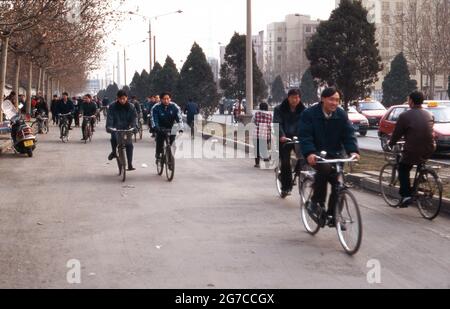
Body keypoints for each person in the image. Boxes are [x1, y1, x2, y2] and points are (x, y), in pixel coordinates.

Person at [299, 87, 360, 227]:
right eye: (331, 99)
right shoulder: (309, 114)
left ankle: (334, 215)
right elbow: (305, 135)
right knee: (325, 170)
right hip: (317, 154)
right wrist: (309, 153)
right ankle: (315, 202)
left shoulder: (341, 115)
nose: (334, 103)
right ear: (323, 99)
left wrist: (353, 151)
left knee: (339, 184)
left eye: (337, 100)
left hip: (336, 154)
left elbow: (349, 134)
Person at [388, 91, 435, 207]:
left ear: (411, 102)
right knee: (419, 160)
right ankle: (422, 175)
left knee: (403, 168)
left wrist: (391, 143)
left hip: (413, 149)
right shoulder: (429, 114)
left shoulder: (404, 116)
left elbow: (397, 133)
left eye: (408, 100)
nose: (408, 102)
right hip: (430, 148)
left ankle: (406, 196)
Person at [273, 89, 306, 196]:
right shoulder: (279, 109)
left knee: (304, 158)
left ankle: (297, 172)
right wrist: (282, 135)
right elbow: (277, 123)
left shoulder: (303, 110)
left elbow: (306, 124)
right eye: (293, 97)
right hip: (284, 138)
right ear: (288, 97)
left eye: (297, 97)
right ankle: (286, 187)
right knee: (286, 162)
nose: (295, 100)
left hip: (298, 138)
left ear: (300, 98)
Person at [106, 90, 138, 171]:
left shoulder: (131, 106)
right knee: (113, 138)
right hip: (116, 128)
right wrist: (109, 127)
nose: (122, 100)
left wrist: (134, 127)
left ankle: (130, 164)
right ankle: (114, 152)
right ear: (117, 98)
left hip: (127, 128)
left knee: (129, 145)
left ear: (127, 98)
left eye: (124, 98)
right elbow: (110, 118)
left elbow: (134, 118)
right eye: (120, 99)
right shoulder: (112, 106)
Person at [150, 92, 184, 163]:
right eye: (164, 99)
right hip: (160, 127)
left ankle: (171, 157)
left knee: (173, 143)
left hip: (172, 127)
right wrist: (156, 127)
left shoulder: (175, 107)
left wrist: (181, 128)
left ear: (170, 99)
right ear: (161, 99)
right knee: (160, 139)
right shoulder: (156, 107)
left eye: (167, 99)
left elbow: (179, 118)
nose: (166, 101)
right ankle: (158, 154)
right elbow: (154, 118)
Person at [252, 102, 272, 168]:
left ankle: (257, 163)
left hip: (257, 134)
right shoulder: (270, 115)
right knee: (264, 147)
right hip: (266, 134)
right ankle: (266, 160)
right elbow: (271, 124)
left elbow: (253, 122)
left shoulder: (256, 114)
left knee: (257, 149)